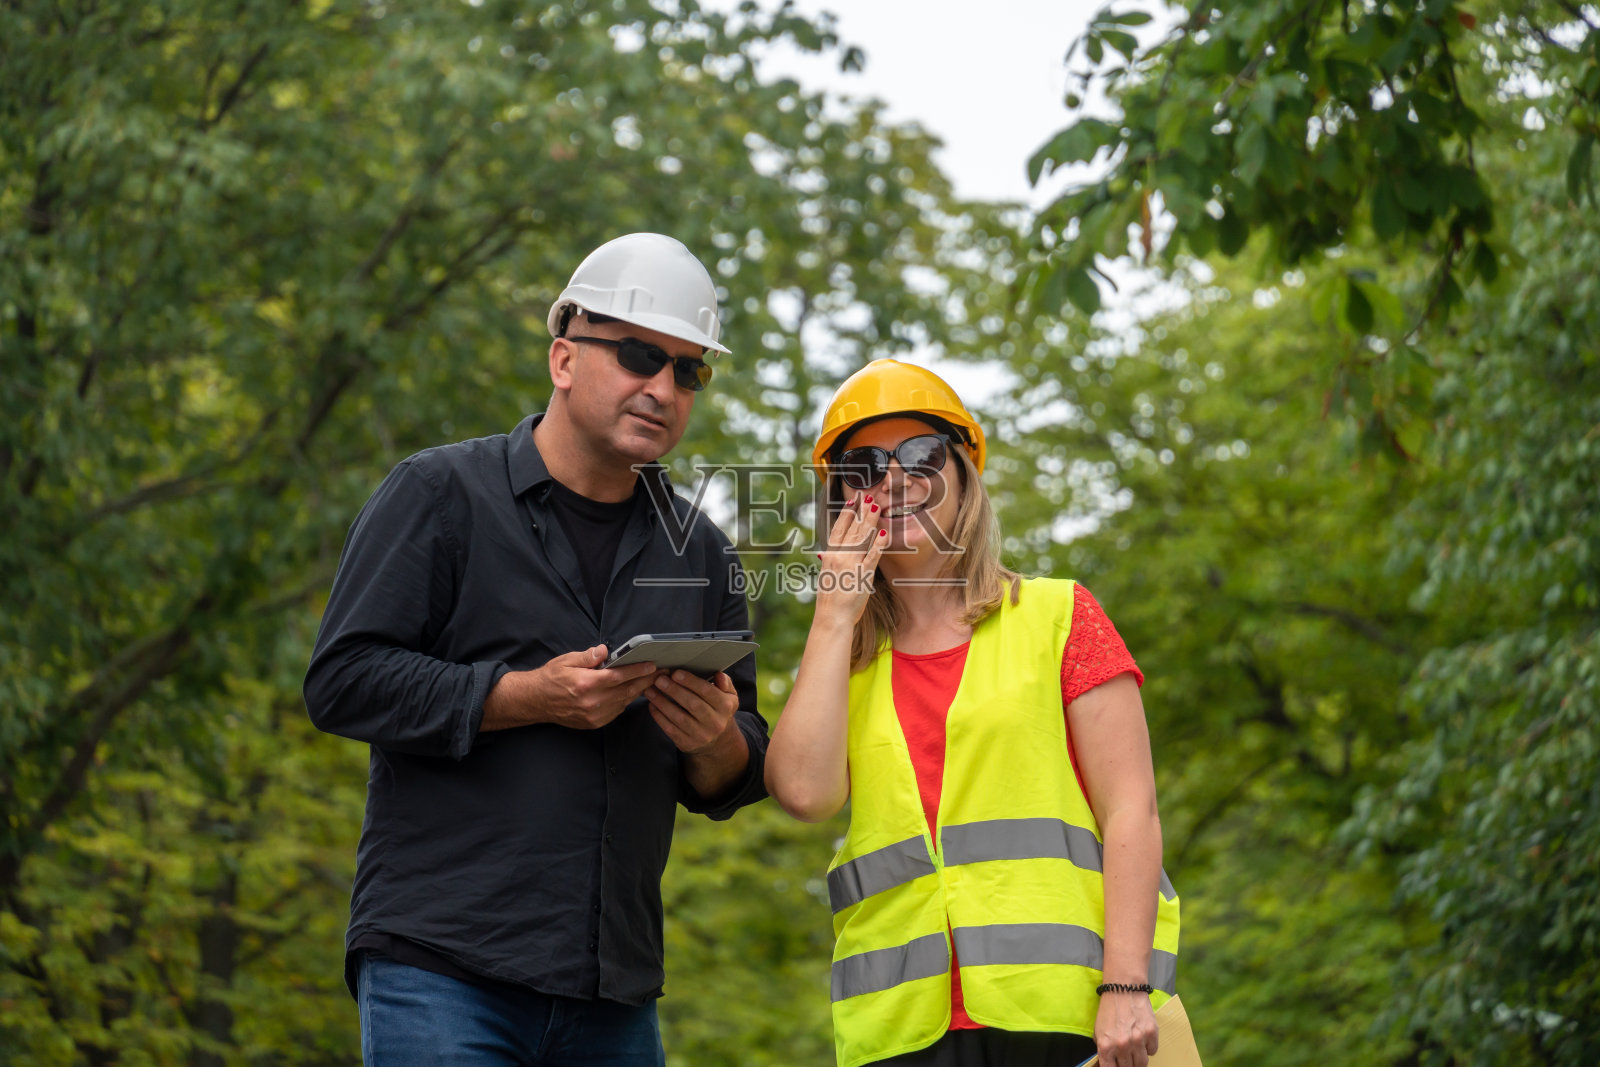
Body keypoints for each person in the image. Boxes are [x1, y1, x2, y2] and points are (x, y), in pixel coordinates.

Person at [305, 233, 769, 1066]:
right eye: (638, 355)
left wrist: (714, 742)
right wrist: (525, 696)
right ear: (563, 358)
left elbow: (738, 767)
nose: (662, 388)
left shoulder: (701, 552)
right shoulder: (440, 494)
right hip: (441, 966)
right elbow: (343, 679)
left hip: (614, 993)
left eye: (687, 371)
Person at [765, 359, 1180, 1067]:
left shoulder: (1059, 616)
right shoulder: (844, 661)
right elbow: (804, 793)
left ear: (963, 478)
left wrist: (1125, 984)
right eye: (864, 467)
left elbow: (1131, 810)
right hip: (898, 1032)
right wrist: (833, 614)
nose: (894, 480)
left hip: (1062, 1016)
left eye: (921, 455)